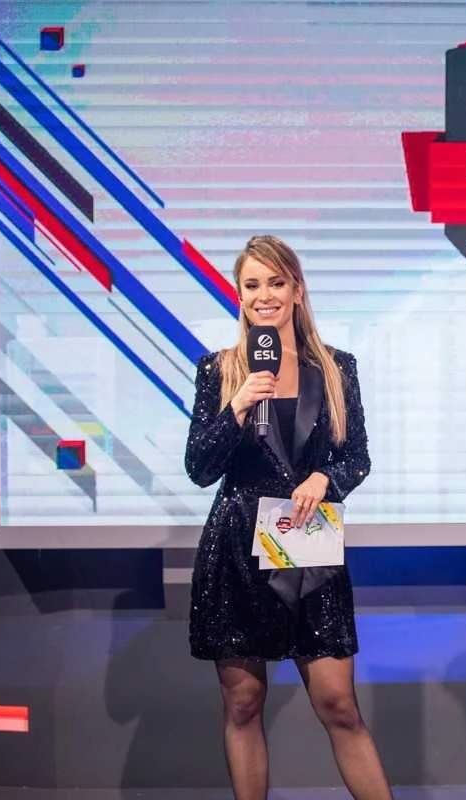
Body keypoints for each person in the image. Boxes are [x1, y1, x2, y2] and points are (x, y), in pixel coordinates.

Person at [184, 234, 392, 800]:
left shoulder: (336, 368)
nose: (264, 295)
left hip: (307, 538)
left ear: (296, 290)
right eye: (252, 285)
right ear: (239, 295)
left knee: (338, 703)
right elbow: (199, 467)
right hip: (236, 546)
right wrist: (238, 405)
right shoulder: (219, 370)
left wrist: (327, 479)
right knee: (243, 702)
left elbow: (357, 456)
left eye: (276, 283)